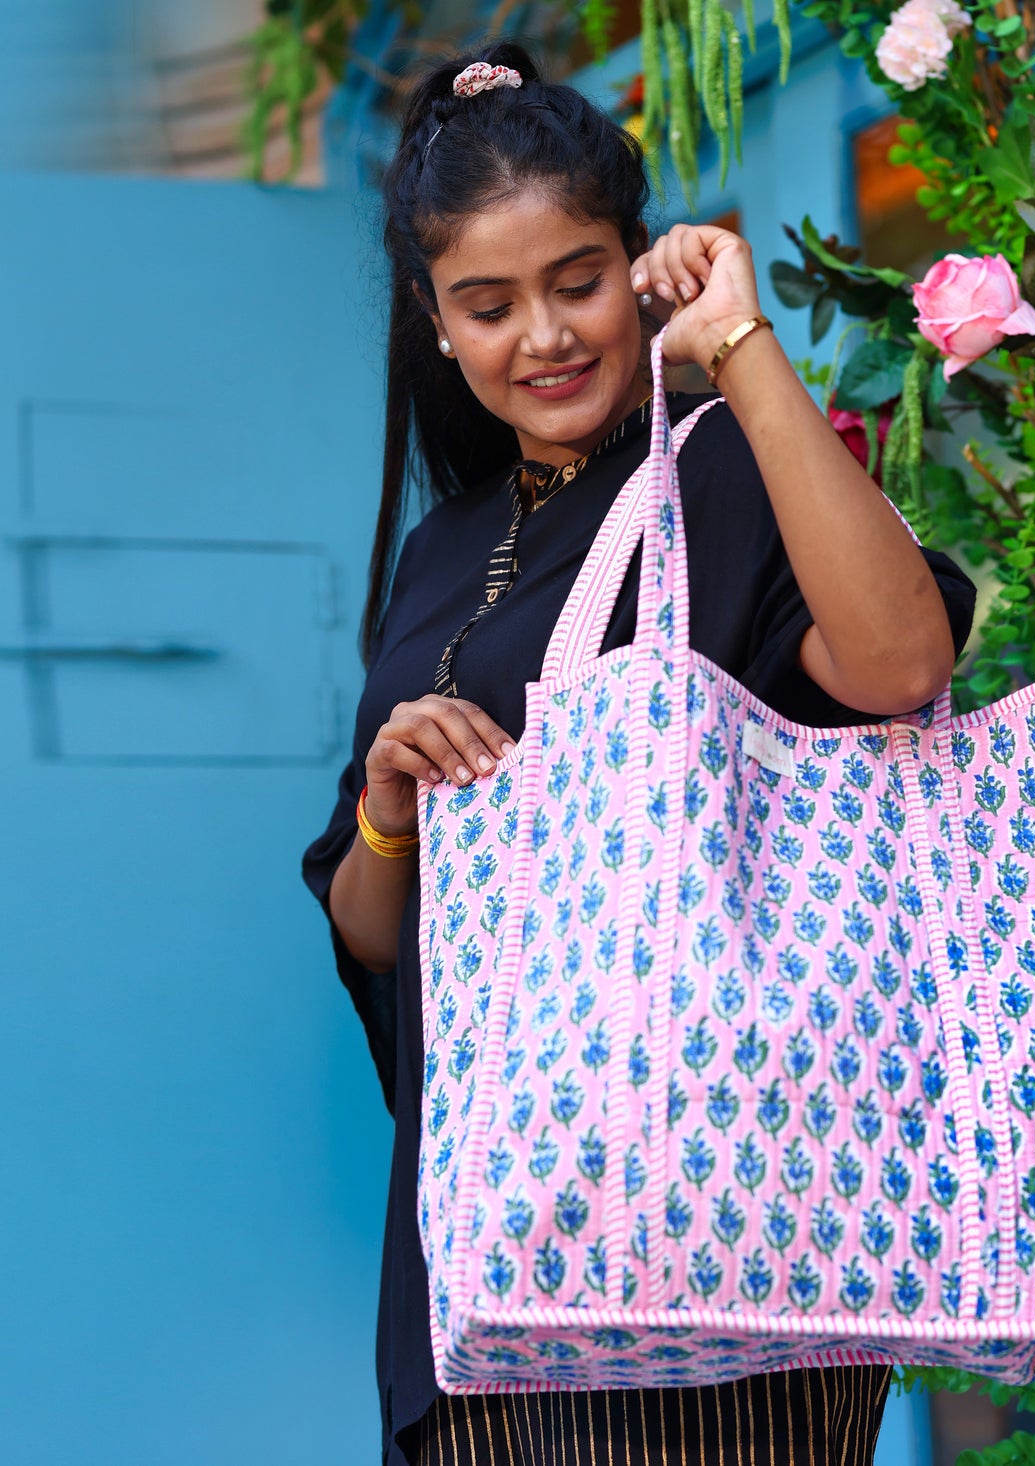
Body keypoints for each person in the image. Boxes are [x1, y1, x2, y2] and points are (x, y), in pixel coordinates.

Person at [302, 41, 978, 1466]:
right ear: (434, 321)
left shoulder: (720, 471)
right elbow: (374, 938)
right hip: (482, 1248)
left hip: (711, 1236)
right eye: (489, 305)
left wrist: (737, 341)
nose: (542, 335)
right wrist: (385, 809)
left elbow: (901, 663)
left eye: (578, 281)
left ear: (637, 263)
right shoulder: (438, 551)